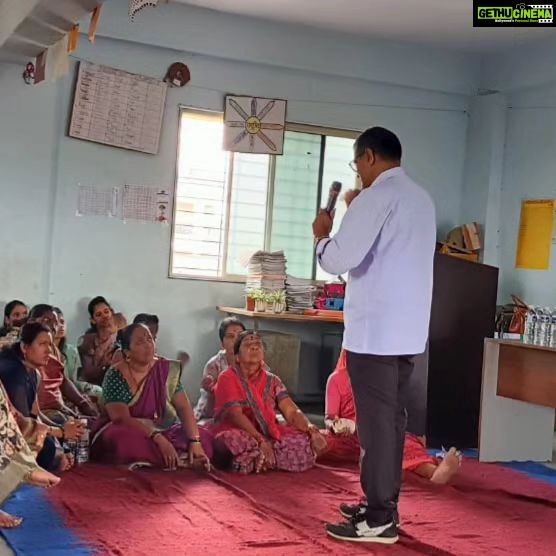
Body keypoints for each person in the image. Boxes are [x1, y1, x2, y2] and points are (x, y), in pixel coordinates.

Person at [312, 127, 436, 544]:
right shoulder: (421, 198)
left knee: (377, 425)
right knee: (391, 423)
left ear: (368, 157)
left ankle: (380, 518)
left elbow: (339, 259)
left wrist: (322, 234)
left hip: (376, 334)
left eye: (356, 163)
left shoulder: (375, 198)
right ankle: (381, 504)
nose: (358, 172)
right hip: (407, 333)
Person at [320, 351, 461, 485]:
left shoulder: (379, 379)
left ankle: (434, 473)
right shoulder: (336, 379)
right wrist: (335, 426)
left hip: (376, 436)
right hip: (347, 439)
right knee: (316, 438)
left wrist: (361, 427)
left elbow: (387, 415)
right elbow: (329, 418)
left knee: (402, 444)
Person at [90, 324, 211, 470]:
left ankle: (177, 458)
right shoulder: (115, 374)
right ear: (127, 351)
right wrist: (158, 439)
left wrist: (195, 441)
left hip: (163, 427)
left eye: (149, 339)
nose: (147, 345)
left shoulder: (166, 370)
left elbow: (183, 407)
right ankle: (181, 460)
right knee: (124, 440)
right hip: (131, 429)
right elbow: (121, 418)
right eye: (140, 342)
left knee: (203, 436)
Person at [212, 330, 327, 474]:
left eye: (258, 344)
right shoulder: (227, 377)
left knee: (303, 440)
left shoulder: (273, 380)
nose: (254, 347)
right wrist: (260, 441)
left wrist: (311, 430)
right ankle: (265, 458)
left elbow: (291, 411)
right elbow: (235, 415)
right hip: (241, 433)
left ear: (263, 353)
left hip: (269, 436)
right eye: (248, 345)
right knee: (230, 440)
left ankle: (256, 460)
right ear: (236, 357)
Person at [0, 323, 85, 471]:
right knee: (48, 446)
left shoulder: (34, 372)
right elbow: (20, 423)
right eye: (42, 344)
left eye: (50, 344)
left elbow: (36, 414)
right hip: (8, 432)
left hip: (24, 428)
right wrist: (61, 433)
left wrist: (62, 431)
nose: (48, 350)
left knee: (57, 430)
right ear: (25, 347)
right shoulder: (13, 372)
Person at [0, 382, 60, 528]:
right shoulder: (14, 373)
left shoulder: (33, 375)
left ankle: (23, 467)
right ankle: (21, 468)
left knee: (48, 444)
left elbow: (14, 414)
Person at [194, 317, 246, 422]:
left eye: (240, 336)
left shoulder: (253, 360)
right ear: (222, 344)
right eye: (231, 337)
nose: (236, 341)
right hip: (214, 415)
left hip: (245, 413)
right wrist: (211, 391)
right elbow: (210, 410)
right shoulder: (214, 365)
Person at [53, 307, 102, 399]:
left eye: (62, 322)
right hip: (54, 390)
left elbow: (74, 379)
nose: (61, 326)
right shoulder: (44, 350)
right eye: (56, 323)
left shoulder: (71, 350)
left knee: (99, 391)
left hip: (72, 386)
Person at [78, 296, 126, 386]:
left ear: (111, 312)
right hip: (96, 387)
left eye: (106, 312)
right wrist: (104, 364)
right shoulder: (87, 341)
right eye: (99, 315)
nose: (104, 317)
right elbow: (88, 374)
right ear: (92, 320)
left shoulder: (123, 335)